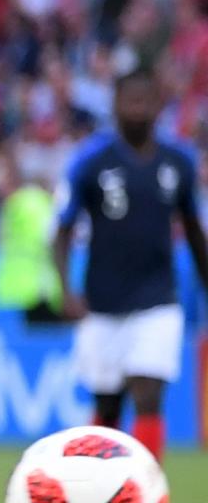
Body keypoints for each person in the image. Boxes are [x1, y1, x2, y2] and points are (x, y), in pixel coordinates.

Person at [53, 71, 208, 461]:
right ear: (116, 105)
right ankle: (100, 492)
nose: (137, 110)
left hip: (157, 299)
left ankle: (146, 493)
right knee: (107, 405)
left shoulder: (179, 163)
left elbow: (193, 232)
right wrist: (65, 289)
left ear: (158, 106)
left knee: (149, 392)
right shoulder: (91, 162)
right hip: (102, 303)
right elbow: (62, 232)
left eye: (145, 101)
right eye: (130, 101)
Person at [0, 167, 65, 325]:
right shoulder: (35, 203)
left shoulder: (15, 204)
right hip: (40, 284)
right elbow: (49, 237)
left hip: (22, 282)